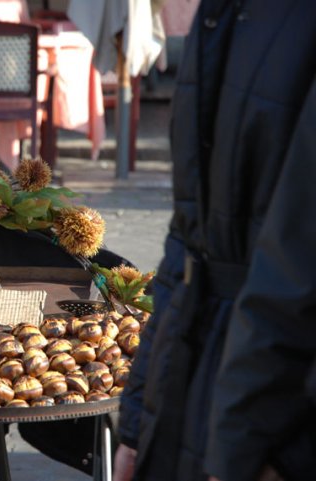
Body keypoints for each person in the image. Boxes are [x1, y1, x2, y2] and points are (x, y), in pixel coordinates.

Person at [113, 1, 316, 480]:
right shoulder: (224, 13)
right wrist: (140, 420)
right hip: (199, 387)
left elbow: (294, 277)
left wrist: (255, 451)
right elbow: (189, 239)